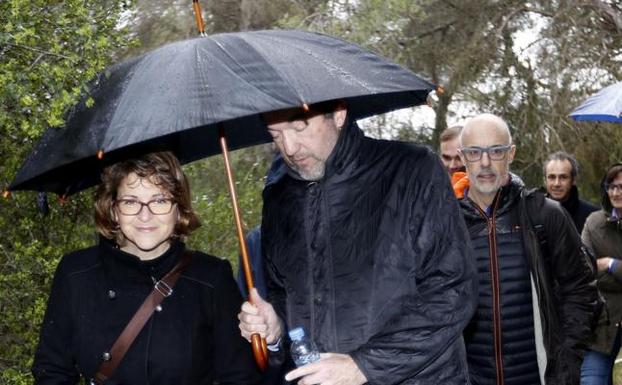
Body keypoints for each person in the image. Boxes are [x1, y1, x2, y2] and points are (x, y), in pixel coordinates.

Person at [238, 100, 478, 384]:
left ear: (338, 114)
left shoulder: (412, 169)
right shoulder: (279, 199)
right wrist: (275, 325)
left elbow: (453, 290)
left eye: (299, 128)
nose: (289, 148)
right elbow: (286, 297)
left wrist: (362, 366)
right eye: (275, 135)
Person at [32, 151, 260, 385]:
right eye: (130, 202)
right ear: (113, 209)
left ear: (178, 209)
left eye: (159, 200)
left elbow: (240, 377)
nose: (145, 215)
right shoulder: (76, 273)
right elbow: (52, 370)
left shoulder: (212, 278)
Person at [455, 114, 600, 385]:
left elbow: (581, 291)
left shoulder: (545, 214)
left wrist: (566, 361)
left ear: (511, 154)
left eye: (496, 151)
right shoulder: (446, 222)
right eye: (475, 152)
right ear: (463, 157)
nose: (485, 163)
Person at [580, 163, 622, 385]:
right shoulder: (594, 223)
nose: (616, 193)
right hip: (603, 323)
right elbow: (585, 270)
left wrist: (610, 264)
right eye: (611, 186)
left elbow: (598, 268)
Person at [543, 151, 598, 233]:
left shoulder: (592, 216)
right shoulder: (533, 215)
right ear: (545, 180)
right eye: (552, 177)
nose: (557, 183)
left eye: (563, 177)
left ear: (573, 180)